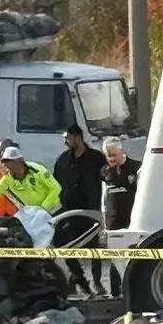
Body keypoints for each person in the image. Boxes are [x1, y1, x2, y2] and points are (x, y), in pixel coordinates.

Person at [52, 125, 107, 298]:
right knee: (65, 246)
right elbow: (56, 183)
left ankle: (97, 283)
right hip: (69, 211)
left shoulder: (96, 158)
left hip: (90, 210)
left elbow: (107, 178)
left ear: (77, 137)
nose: (66, 142)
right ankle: (80, 281)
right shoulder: (62, 160)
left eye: (68, 138)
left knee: (94, 248)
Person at [100, 138, 142, 297]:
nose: (111, 158)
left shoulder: (136, 168)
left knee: (132, 259)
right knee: (115, 259)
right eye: (108, 155)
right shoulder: (105, 171)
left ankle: (134, 291)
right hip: (113, 222)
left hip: (131, 220)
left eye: (114, 154)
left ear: (121, 151)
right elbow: (104, 198)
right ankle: (116, 293)